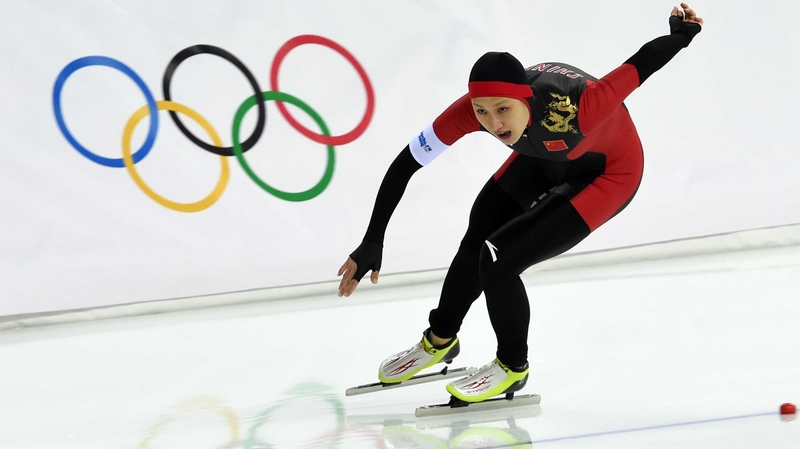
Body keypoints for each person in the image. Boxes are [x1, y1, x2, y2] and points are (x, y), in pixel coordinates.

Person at [337, 4, 704, 403]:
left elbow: (641, 65)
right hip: (545, 154)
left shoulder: (584, 106)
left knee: (499, 258)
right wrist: (373, 239)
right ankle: (440, 340)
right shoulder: (474, 112)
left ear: (524, 99)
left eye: (502, 110)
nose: (493, 124)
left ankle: (513, 366)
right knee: (480, 229)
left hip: (609, 173)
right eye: (482, 112)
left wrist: (680, 34)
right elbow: (405, 164)